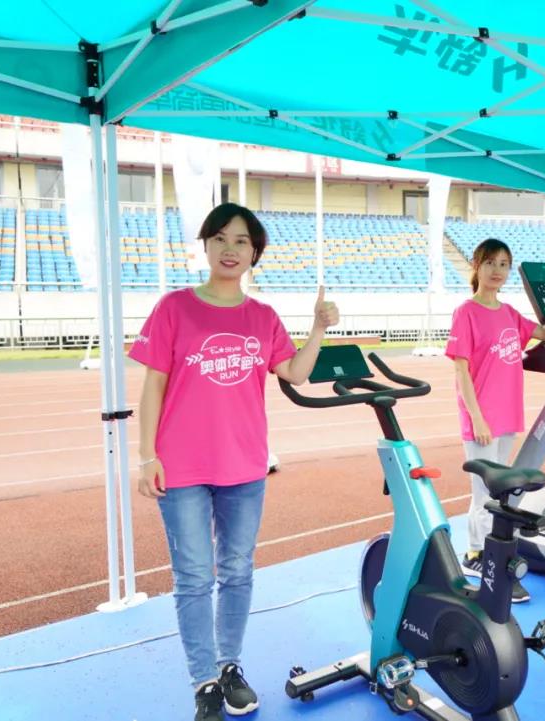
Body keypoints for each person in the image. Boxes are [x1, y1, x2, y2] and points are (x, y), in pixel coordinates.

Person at [129, 203, 339, 721]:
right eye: (220, 238)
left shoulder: (262, 317)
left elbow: (294, 372)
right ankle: (203, 680)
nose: (230, 249)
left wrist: (317, 327)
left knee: (238, 572)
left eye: (242, 241)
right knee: (193, 578)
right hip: (180, 468)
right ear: (205, 245)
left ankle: (229, 667)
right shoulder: (174, 308)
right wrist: (146, 455)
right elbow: (153, 385)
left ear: (254, 253)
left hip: (244, 467)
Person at [445, 238, 545, 603]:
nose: (497, 271)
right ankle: (478, 555)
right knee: (484, 492)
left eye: (503, 264)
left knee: (498, 491)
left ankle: (486, 550)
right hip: (482, 417)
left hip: (507, 414)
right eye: (490, 263)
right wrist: (477, 417)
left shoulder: (510, 313)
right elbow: (461, 371)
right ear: (477, 266)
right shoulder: (466, 312)